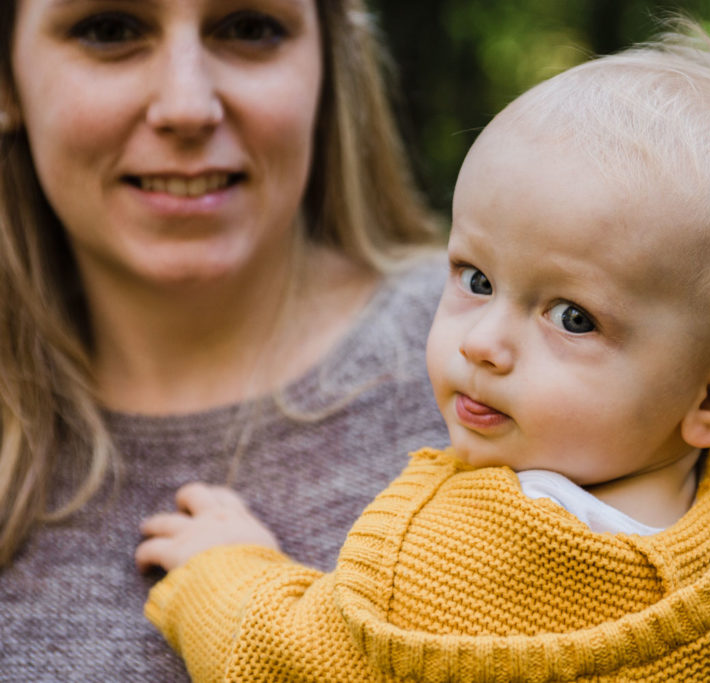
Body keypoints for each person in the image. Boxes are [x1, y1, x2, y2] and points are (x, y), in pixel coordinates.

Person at [135, 19, 710, 682]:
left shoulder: (459, 554)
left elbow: (287, 657)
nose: (484, 342)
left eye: (571, 317)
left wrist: (222, 567)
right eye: (475, 276)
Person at [0, 0, 450, 680]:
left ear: (330, 65)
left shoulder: (510, 362)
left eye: (248, 27)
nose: (188, 105)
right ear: (6, 82)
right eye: (110, 30)